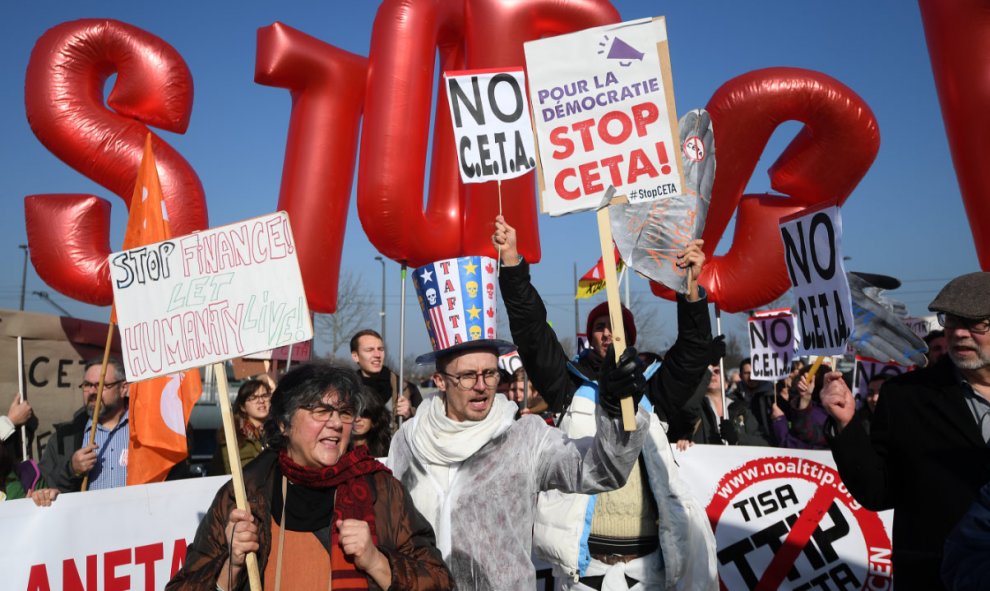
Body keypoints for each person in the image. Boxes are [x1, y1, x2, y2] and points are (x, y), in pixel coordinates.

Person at [389, 253, 649, 590]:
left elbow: (601, 470)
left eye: (490, 373)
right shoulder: (408, 441)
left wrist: (616, 409)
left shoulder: (524, 437)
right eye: (468, 376)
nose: (482, 386)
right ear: (440, 381)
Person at [494, 216, 718, 590]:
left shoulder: (652, 391)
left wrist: (691, 290)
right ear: (590, 337)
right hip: (586, 570)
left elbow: (694, 353)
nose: (607, 334)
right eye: (600, 327)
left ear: (629, 340)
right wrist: (513, 263)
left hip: (648, 570)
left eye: (616, 329)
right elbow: (532, 334)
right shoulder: (568, 387)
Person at [168, 361, 453, 590]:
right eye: (321, 411)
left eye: (344, 413)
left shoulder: (381, 490)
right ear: (283, 423)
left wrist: (377, 562)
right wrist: (232, 566)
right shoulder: (245, 495)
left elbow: (439, 581)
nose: (335, 424)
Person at [822, 272, 990, 590]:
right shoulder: (906, 396)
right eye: (951, 320)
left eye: (976, 324)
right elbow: (878, 491)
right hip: (935, 576)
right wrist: (846, 424)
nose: (959, 333)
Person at [40, 358, 130, 492]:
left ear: (123, 388)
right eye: (87, 385)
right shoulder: (64, 439)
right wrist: (71, 470)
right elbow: (45, 487)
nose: (93, 392)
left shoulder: (146, 428)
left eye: (101, 385)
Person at [678, 366, 769, 448]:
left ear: (726, 384)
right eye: (707, 373)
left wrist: (738, 439)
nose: (712, 374)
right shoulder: (694, 407)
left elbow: (764, 443)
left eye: (717, 371)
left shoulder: (742, 409)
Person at [350, 329, 422, 423]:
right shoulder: (347, 389)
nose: (377, 355)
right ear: (355, 356)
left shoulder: (406, 389)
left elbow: (424, 426)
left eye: (381, 349)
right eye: (370, 350)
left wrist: (410, 414)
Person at [208, 379, 271, 476]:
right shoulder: (234, 435)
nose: (261, 401)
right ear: (242, 407)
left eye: (265, 396)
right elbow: (239, 474)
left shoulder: (278, 431)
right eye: (253, 397)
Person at [771, 366, 828, 449]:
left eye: (802, 379)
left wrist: (779, 420)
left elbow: (792, 446)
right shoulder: (828, 410)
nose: (798, 382)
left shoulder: (815, 416)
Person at [731, 358, 777, 445]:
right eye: (747, 373)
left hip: (769, 445)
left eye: (755, 372)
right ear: (740, 376)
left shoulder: (772, 396)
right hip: (743, 447)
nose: (751, 376)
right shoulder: (733, 399)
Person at [351, 388, 393, 458]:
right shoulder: (336, 451)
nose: (357, 419)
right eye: (353, 413)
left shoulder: (389, 451)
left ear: (375, 418)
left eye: (364, 414)